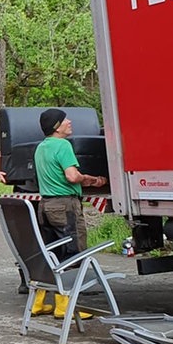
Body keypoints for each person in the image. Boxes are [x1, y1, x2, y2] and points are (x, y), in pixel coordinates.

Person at [32, 108, 107, 318]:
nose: (70, 122)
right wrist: (92, 180)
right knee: (73, 253)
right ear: (57, 126)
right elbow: (72, 176)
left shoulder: (41, 148)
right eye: (65, 120)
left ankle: (38, 302)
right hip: (65, 205)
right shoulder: (63, 145)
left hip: (45, 206)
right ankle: (65, 306)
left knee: (52, 254)